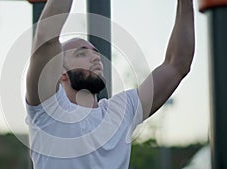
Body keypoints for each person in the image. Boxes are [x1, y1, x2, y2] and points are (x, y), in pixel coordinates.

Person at [25, 0, 195, 168]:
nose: (95, 57)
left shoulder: (121, 112)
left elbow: (177, 64)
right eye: (82, 54)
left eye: (95, 53)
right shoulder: (48, 110)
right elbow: (46, 38)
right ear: (60, 71)